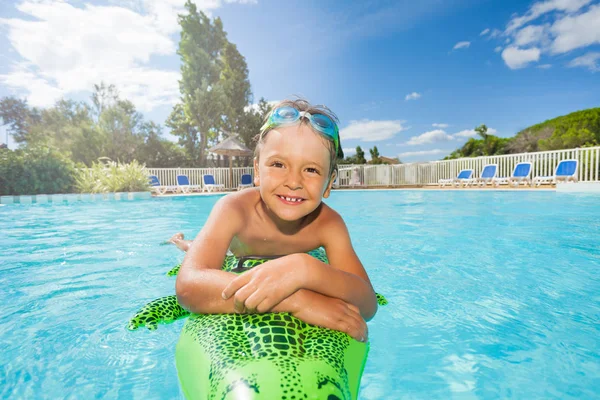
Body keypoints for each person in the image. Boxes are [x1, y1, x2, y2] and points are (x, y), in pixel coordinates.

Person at [175, 99, 378, 342]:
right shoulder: (234, 208)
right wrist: (296, 300)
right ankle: (186, 243)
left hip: (292, 259)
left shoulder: (329, 224)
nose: (294, 182)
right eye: (278, 164)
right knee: (198, 249)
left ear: (329, 183)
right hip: (236, 252)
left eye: (311, 170)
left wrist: (307, 268)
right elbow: (188, 285)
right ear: (257, 171)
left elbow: (367, 304)